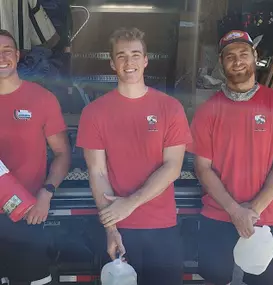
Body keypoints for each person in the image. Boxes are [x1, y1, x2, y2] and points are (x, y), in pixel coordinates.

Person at [76, 27, 192, 285]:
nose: (129, 63)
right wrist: (111, 229)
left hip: (162, 227)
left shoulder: (170, 108)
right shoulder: (94, 113)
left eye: (136, 54)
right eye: (122, 55)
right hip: (120, 229)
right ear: (112, 63)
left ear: (146, 59)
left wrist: (130, 203)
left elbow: (172, 166)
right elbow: (98, 171)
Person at [190, 30, 273, 285]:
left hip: (262, 220)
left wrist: (251, 211)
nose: (237, 60)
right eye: (229, 56)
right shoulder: (207, 111)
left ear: (255, 57)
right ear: (221, 63)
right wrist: (235, 211)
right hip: (218, 219)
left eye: (244, 53)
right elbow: (202, 168)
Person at [0, 29, 70, 285]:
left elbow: (62, 153)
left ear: (17, 55)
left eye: (7, 50)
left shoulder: (42, 99)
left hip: (28, 214)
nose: (2, 57)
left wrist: (46, 193)